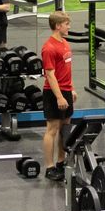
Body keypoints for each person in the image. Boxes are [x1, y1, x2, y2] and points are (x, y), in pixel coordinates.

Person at [41, 11, 74, 180]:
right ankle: (49, 167)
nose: (69, 27)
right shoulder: (49, 47)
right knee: (52, 129)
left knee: (65, 128)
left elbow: (66, 71)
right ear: (58, 26)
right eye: (66, 24)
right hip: (54, 93)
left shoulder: (65, 44)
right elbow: (50, 75)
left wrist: (71, 90)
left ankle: (61, 161)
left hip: (66, 91)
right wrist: (60, 97)